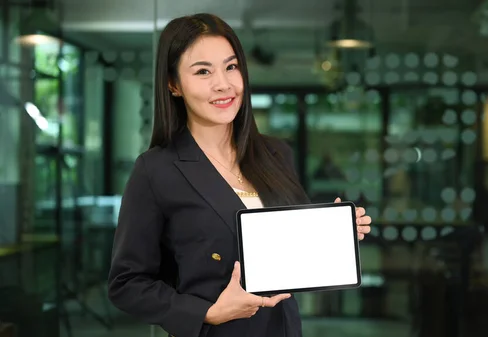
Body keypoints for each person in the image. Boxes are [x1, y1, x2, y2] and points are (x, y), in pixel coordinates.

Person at [107, 13, 372, 337]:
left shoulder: (275, 154)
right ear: (173, 84)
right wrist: (207, 312)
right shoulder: (157, 169)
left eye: (231, 67)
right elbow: (126, 284)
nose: (223, 83)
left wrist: (335, 233)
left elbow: (290, 256)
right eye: (203, 71)